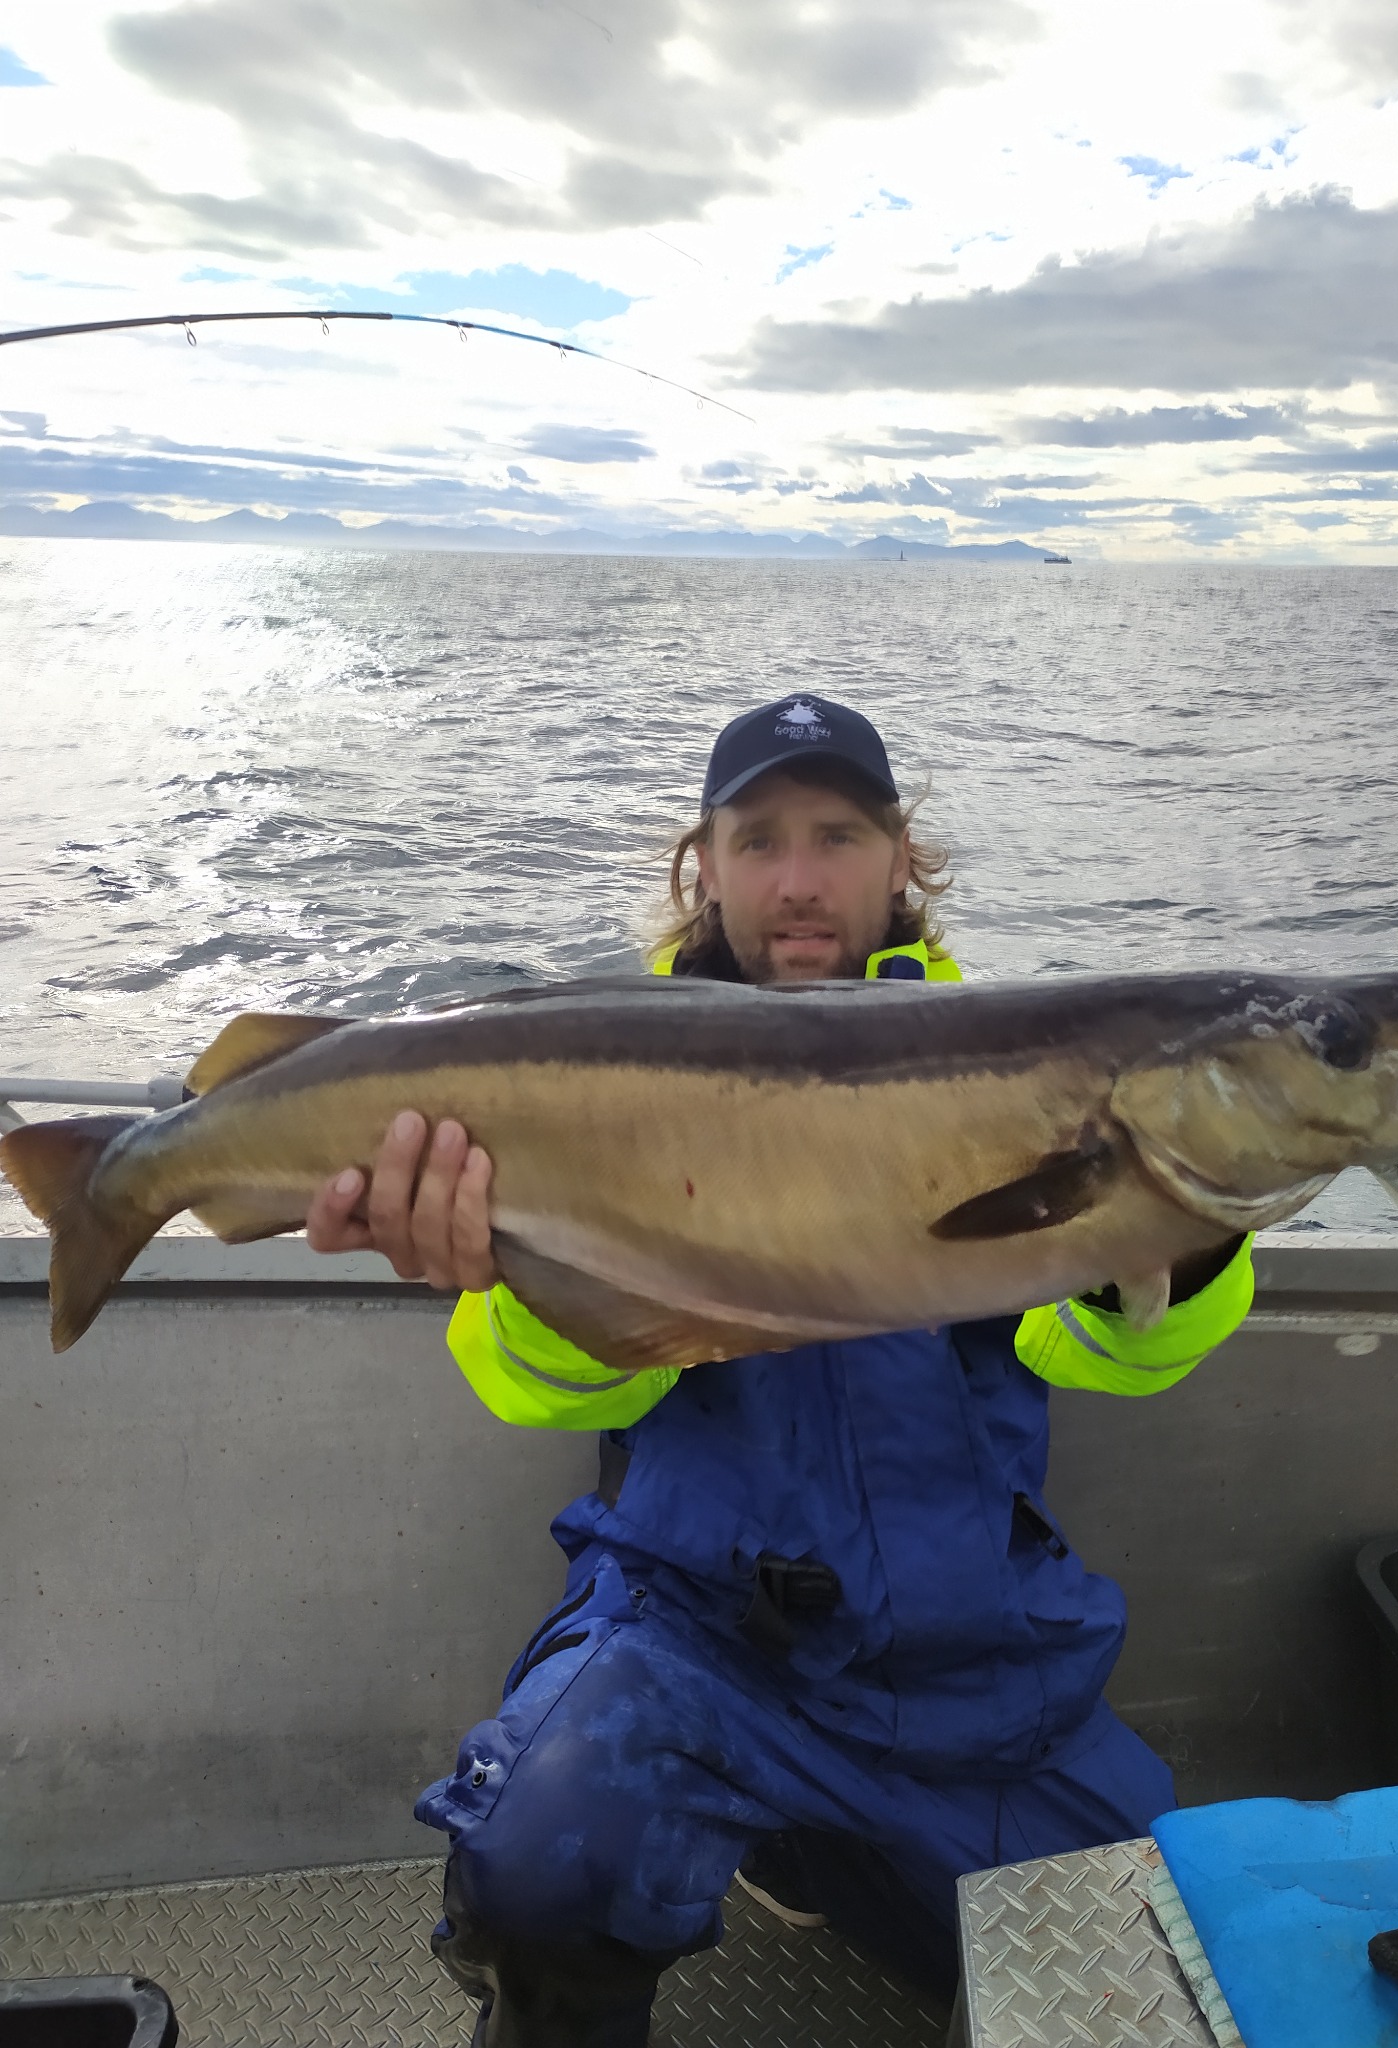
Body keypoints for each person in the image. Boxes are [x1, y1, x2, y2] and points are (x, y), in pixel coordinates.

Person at [306, 695, 1254, 2048]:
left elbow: (1101, 1345)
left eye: (838, 836)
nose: (799, 882)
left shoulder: (1022, 1074)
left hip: (974, 1670)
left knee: (1165, 2004)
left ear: (899, 858)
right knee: (543, 1856)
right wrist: (515, 1276)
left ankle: (821, 1857)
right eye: (758, 841)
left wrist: (1190, 1235)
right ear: (705, 865)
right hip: (700, 1645)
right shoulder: (598, 1066)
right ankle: (596, 1919)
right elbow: (541, 1388)